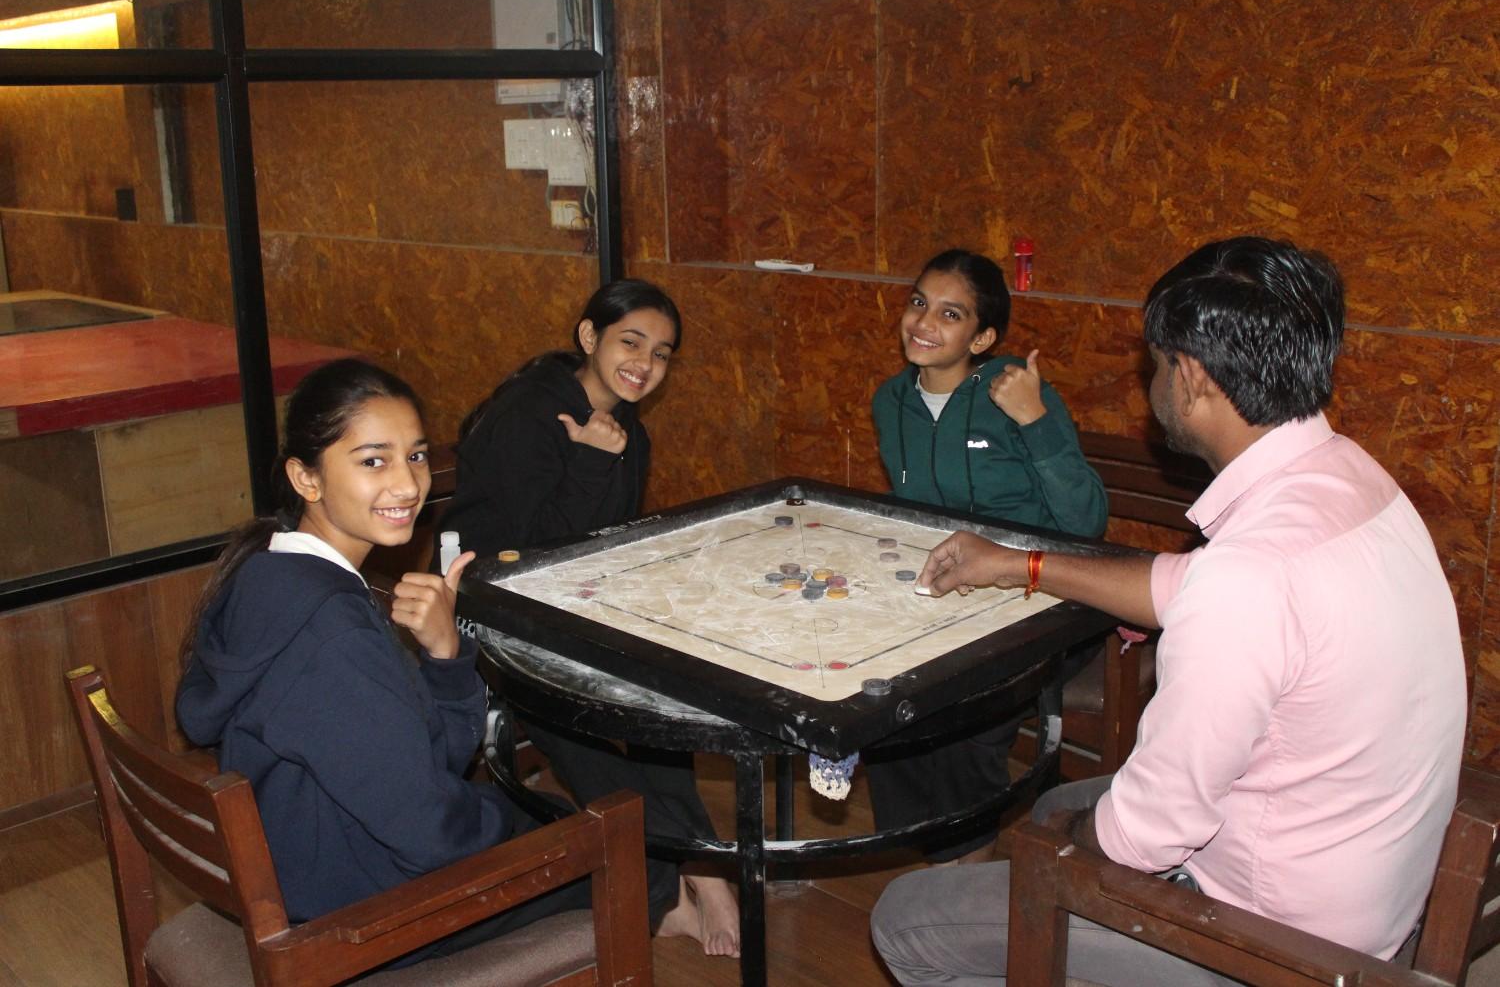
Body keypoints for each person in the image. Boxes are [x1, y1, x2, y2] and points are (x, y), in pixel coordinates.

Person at [870, 236, 1467, 985]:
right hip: (1365, 877)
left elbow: (1152, 829)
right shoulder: (1352, 480)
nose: (1149, 380)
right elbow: (1183, 584)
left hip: (1274, 939)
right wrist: (1020, 564)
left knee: (909, 915)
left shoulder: (1251, 578)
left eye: (1154, 363)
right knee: (1055, 808)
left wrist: (1065, 857)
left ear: (1188, 377)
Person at [176, 359, 588, 968]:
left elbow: (417, 760)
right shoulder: (333, 633)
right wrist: (515, 821)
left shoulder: (268, 569)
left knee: (552, 823)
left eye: (416, 456)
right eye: (374, 460)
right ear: (305, 478)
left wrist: (446, 653)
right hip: (348, 910)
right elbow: (428, 829)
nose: (407, 485)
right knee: (615, 848)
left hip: (299, 858)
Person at [437, 278, 741, 957]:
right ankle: (666, 891)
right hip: (493, 613)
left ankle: (698, 861)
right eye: (631, 341)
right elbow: (523, 556)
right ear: (588, 337)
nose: (645, 363)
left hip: (571, 607)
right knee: (590, 724)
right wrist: (590, 462)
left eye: (661, 353)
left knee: (663, 693)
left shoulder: (624, 427)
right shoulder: (532, 414)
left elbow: (604, 542)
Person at [865, 248, 1109, 864]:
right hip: (951, 592)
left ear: (984, 337)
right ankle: (924, 853)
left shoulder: (1016, 395)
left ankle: (965, 858)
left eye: (951, 314)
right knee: (878, 699)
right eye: (919, 302)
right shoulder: (890, 401)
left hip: (1041, 594)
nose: (924, 322)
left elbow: (1086, 523)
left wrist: (1034, 417)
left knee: (964, 716)